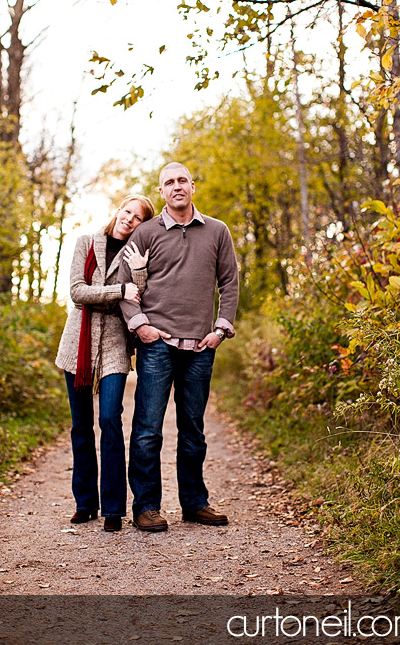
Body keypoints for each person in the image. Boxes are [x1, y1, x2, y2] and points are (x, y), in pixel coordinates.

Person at [118, 163, 239, 532]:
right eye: (169, 183)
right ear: (162, 192)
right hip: (157, 346)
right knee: (147, 429)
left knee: (193, 429)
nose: (177, 187)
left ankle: (195, 503)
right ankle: (146, 506)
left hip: (202, 346)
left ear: (193, 186)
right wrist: (141, 327)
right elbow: (125, 284)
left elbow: (230, 284)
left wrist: (221, 329)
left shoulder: (217, 231)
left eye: (182, 180)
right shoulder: (145, 232)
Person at [55, 194, 154, 532]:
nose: (129, 219)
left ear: (142, 224)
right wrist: (117, 292)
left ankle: (113, 508)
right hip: (77, 345)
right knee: (80, 425)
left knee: (110, 419)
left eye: (138, 217)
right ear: (117, 211)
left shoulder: (136, 255)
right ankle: (85, 503)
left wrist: (137, 274)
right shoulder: (86, 243)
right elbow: (77, 292)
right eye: (127, 211)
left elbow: (137, 298)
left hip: (114, 343)